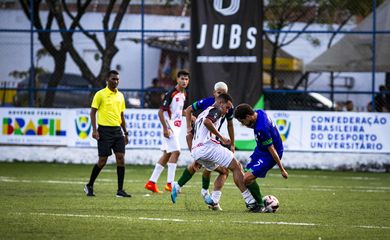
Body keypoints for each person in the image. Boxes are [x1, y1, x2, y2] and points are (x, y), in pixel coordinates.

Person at [171, 94, 265, 213]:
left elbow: (191, 134)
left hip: (197, 151)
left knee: (223, 171)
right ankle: (251, 202)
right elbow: (207, 122)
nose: (227, 111)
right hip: (208, 147)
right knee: (236, 167)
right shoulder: (216, 111)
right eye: (227, 107)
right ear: (221, 103)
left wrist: (194, 151)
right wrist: (221, 137)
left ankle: (212, 199)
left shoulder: (203, 112)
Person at [175, 81, 232, 210]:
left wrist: (231, 143)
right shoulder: (207, 103)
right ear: (214, 93)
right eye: (218, 93)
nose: (220, 95)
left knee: (205, 166)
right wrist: (189, 127)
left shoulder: (228, 105)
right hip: (202, 139)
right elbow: (189, 109)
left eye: (223, 93)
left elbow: (230, 124)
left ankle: (203, 193)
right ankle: (202, 193)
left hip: (211, 138)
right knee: (198, 164)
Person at [84, 70, 131, 198]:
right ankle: (89, 185)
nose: (115, 81)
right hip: (104, 131)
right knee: (102, 160)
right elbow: (93, 112)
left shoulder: (120, 96)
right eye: (113, 79)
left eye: (117, 79)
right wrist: (94, 130)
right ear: (107, 79)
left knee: (121, 158)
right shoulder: (100, 94)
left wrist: (125, 133)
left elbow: (121, 116)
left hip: (117, 131)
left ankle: (120, 190)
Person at [233, 103, 288, 211]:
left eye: (243, 122)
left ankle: (260, 205)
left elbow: (272, 149)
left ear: (248, 116)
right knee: (245, 174)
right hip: (261, 150)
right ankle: (257, 203)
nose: (244, 125)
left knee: (247, 178)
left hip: (270, 154)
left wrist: (282, 169)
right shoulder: (259, 112)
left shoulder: (261, 128)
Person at [145, 70, 190, 193]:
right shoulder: (171, 93)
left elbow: (178, 111)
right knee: (176, 152)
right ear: (177, 79)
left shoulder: (184, 94)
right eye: (182, 79)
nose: (184, 81)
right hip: (169, 127)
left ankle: (151, 182)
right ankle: (170, 184)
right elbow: (160, 111)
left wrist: (189, 115)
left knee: (167, 154)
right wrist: (165, 128)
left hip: (176, 127)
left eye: (186, 79)